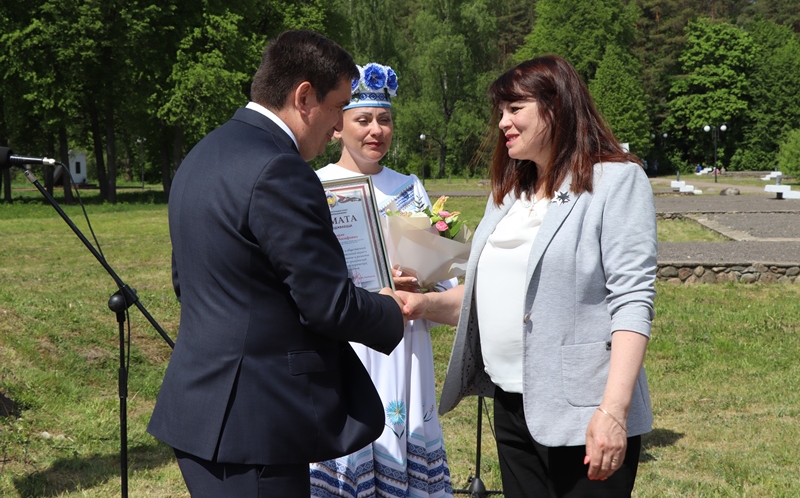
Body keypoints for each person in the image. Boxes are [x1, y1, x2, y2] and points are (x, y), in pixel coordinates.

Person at [147, 30, 407, 497]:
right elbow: (327, 305)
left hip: (201, 410)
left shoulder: (204, 153)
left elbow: (187, 282)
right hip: (256, 424)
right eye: (338, 107)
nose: (337, 127)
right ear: (304, 97)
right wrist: (390, 308)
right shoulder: (280, 169)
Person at [398, 55, 657, 498]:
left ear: (557, 108)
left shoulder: (616, 181)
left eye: (515, 109)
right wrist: (422, 304)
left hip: (585, 411)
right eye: (501, 111)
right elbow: (487, 294)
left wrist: (613, 411)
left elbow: (632, 301)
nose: (503, 122)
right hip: (511, 404)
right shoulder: (509, 194)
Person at [311, 63, 454, 497]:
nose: (376, 130)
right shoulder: (315, 185)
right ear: (338, 127)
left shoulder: (409, 187)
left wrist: (422, 277)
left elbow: (442, 277)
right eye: (363, 119)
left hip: (403, 340)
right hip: (349, 336)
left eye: (385, 119)